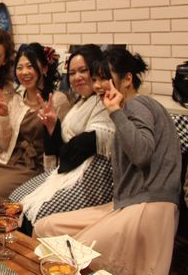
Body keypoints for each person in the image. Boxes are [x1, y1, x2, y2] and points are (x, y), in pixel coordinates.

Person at [35, 48, 182, 275]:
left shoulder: (138, 104)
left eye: (105, 78)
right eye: (95, 79)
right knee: (45, 227)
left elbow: (142, 154)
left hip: (148, 206)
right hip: (127, 203)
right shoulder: (126, 109)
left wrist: (115, 111)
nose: (98, 85)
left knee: (74, 254)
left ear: (127, 79)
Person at [9, 45, 116, 230]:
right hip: (64, 169)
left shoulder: (104, 102)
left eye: (83, 71)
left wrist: (60, 143)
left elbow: (82, 146)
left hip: (89, 177)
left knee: (36, 214)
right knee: (15, 200)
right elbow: (65, 147)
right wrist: (52, 125)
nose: (77, 77)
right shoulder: (79, 103)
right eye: (72, 73)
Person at [0, 43, 71, 198]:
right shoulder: (15, 100)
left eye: (30, 66)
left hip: (37, 168)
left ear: (44, 68)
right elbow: (4, 144)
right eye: (19, 68)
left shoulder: (58, 101)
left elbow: (65, 143)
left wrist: (52, 126)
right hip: (10, 161)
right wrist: (4, 115)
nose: (24, 72)